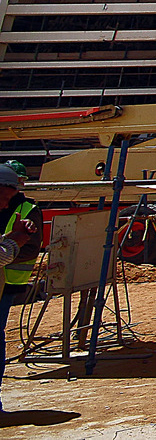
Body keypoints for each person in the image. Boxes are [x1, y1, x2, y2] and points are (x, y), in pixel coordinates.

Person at [0, 165, 42, 409]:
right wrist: (13, 242)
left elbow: (31, 248)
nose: (6, 205)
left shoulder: (28, 209)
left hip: (9, 285)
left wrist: (13, 243)